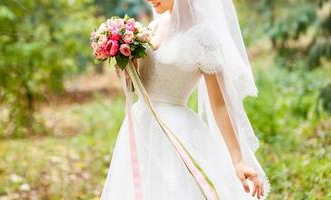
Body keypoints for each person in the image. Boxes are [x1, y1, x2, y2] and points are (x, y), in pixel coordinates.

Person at [101, 0, 271, 199]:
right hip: (140, 124)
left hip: (175, 129)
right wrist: (126, 69)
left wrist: (237, 160)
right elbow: (136, 86)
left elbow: (219, 105)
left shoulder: (202, 37)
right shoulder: (153, 27)